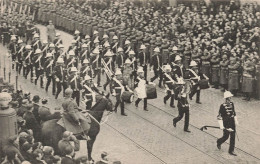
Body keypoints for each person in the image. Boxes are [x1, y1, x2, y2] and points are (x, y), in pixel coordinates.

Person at [217, 91, 238, 156]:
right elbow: (219, 116)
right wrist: (221, 126)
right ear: (227, 98)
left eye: (230, 98)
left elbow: (234, 113)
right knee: (226, 136)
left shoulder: (232, 104)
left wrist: (236, 120)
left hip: (232, 122)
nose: (230, 99)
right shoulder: (222, 106)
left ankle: (231, 150)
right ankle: (219, 141)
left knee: (233, 136)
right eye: (229, 98)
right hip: (226, 123)